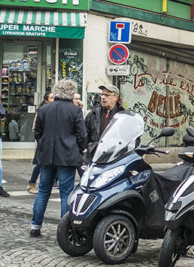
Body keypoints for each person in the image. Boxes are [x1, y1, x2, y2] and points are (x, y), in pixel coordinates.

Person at [29, 80, 87, 237]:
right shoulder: (75, 111)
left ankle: (35, 225)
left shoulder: (44, 109)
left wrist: (44, 144)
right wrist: (79, 149)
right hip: (67, 155)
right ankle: (65, 228)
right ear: (71, 92)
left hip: (46, 154)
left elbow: (37, 132)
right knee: (66, 193)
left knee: (43, 190)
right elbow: (82, 135)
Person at [85, 84, 125, 157]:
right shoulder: (93, 114)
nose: (103, 97)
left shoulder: (123, 116)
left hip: (114, 157)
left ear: (115, 97)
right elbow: (84, 136)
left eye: (107, 95)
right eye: (102, 95)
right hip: (94, 156)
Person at [27, 91, 55, 194]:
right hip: (44, 141)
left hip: (52, 141)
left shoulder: (55, 110)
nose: (53, 100)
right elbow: (36, 128)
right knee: (40, 163)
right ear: (46, 100)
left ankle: (52, 182)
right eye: (51, 98)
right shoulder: (42, 111)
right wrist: (41, 140)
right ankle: (32, 183)